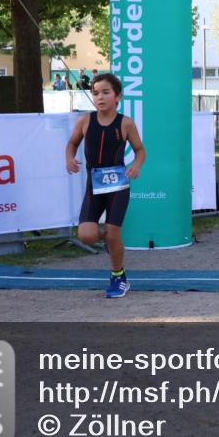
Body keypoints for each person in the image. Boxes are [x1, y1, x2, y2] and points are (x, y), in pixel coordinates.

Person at [65, 73, 146, 299]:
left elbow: (141, 150)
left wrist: (136, 165)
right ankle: (113, 239)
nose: (99, 97)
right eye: (95, 93)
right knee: (87, 235)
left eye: (105, 92)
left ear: (117, 96)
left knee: (112, 235)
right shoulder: (84, 121)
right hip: (95, 185)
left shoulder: (126, 123)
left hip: (118, 186)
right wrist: (69, 159)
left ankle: (118, 276)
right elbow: (71, 144)